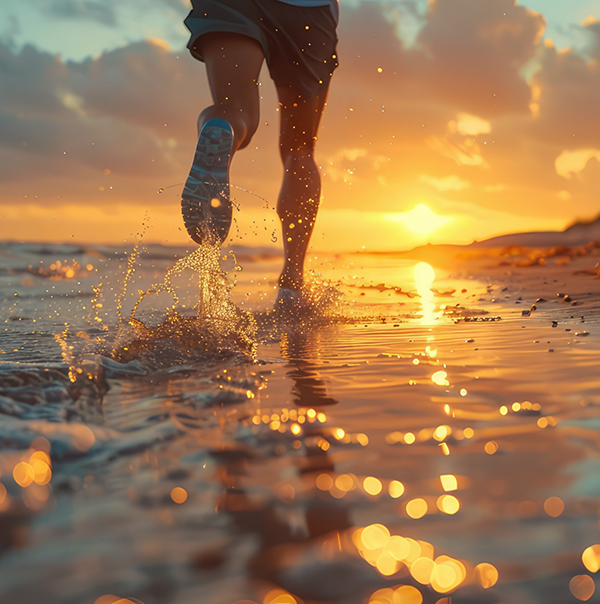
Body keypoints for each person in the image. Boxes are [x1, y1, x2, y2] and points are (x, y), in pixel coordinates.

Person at [181, 0, 339, 309]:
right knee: (300, 150)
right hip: (308, 10)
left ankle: (220, 127)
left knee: (235, 111)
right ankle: (292, 284)